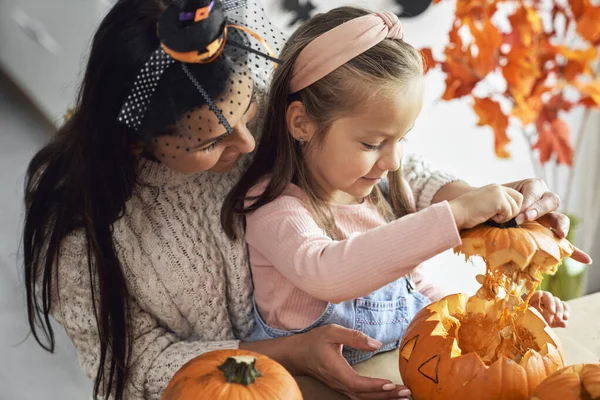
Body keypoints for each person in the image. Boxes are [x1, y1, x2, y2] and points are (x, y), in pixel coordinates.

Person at [22, 1, 591, 400]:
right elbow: (136, 367)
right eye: (213, 140)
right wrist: (289, 355)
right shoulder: (85, 226)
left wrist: (477, 216)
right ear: (136, 140)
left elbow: (387, 170)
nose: (247, 146)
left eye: (250, 114)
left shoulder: (261, 107)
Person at [221, 6, 590, 370]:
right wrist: (455, 215)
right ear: (301, 123)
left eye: (402, 140)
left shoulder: (378, 195)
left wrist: (502, 318)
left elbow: (419, 302)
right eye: (371, 144)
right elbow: (329, 272)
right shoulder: (275, 209)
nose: (394, 162)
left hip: (401, 374)